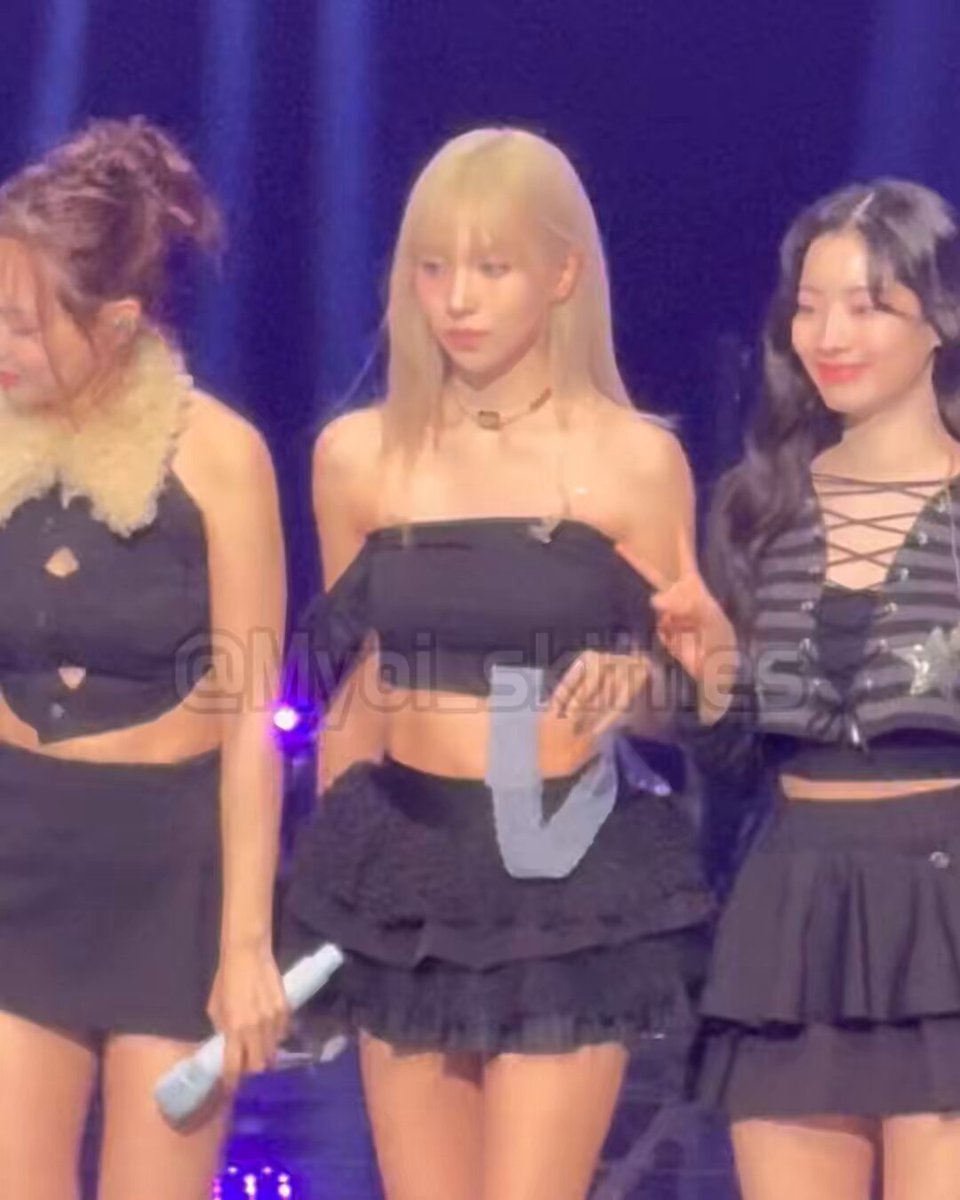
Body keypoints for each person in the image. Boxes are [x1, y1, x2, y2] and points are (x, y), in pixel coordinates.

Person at [283, 127, 713, 1200]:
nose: (458, 300)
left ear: (563, 274)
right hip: (405, 871)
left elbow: (694, 686)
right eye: (433, 268)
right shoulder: (357, 456)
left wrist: (643, 683)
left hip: (568, 873)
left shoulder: (635, 460)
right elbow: (357, 691)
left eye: (492, 266)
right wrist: (320, 904)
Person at [0, 117, 288, 1199]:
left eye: (22, 325)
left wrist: (247, 944)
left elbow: (253, 714)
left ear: (116, 323)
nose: (0, 345)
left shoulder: (219, 456)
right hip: (19, 855)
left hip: (169, 880)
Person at [656, 179, 960, 1200]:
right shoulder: (759, 508)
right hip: (793, 919)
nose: (828, 335)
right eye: (810, 305)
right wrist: (710, 672)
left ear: (940, 319)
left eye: (867, 306)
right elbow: (737, 766)